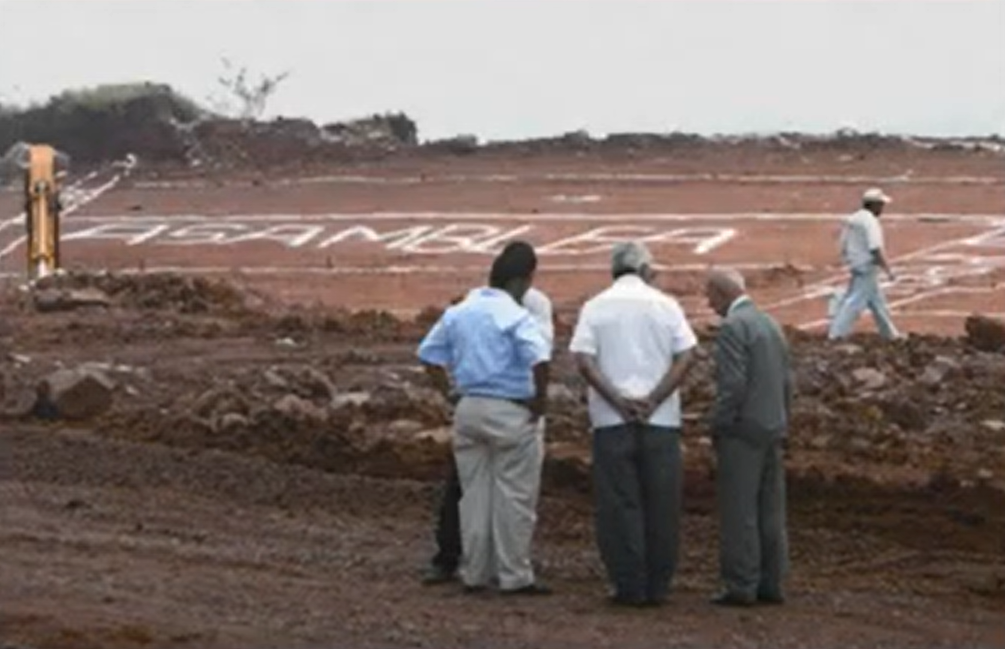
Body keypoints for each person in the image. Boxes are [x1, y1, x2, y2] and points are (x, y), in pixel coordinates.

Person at [417, 241, 552, 595]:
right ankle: (514, 574)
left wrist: (450, 393)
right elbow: (540, 358)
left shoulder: (460, 310)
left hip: (469, 409)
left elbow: (429, 355)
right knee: (515, 497)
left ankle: (475, 571)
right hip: (509, 410)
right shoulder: (515, 314)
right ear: (521, 281)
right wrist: (538, 404)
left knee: (474, 497)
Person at [568, 241, 697, 607]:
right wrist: (654, 399)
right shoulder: (666, 305)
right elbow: (687, 355)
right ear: (644, 270)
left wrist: (617, 400)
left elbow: (584, 361)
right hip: (661, 420)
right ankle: (658, 585)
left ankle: (628, 584)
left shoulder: (595, 306)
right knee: (661, 504)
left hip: (611, 421)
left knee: (619, 505)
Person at [705, 267, 791, 607]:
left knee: (740, 511)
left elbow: (733, 385)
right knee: (771, 511)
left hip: (743, 431)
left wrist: (719, 422)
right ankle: (772, 581)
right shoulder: (770, 324)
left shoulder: (733, 328)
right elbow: (786, 382)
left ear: (722, 293)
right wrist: (783, 421)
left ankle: (741, 584)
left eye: (710, 296)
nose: (708, 304)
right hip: (772, 426)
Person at [828, 187, 900, 340]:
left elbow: (843, 242)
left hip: (857, 265)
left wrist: (849, 259)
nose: (882, 208)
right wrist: (888, 269)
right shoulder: (870, 222)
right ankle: (836, 334)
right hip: (867, 267)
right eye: (880, 205)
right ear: (874, 205)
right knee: (854, 303)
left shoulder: (854, 218)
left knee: (878, 303)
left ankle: (890, 335)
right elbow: (875, 248)